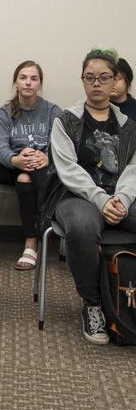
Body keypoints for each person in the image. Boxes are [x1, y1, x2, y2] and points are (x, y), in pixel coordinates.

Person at [42, 48, 136, 344]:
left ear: (114, 81)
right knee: (82, 226)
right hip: (75, 197)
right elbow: (67, 170)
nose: (97, 83)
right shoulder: (66, 120)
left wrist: (121, 198)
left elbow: (133, 169)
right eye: (90, 77)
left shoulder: (130, 126)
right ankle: (93, 304)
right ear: (82, 81)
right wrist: (101, 200)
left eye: (104, 77)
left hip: (119, 196)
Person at [0, 61, 61, 270]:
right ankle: (52, 219)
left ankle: (31, 244)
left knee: (25, 178)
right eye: (23, 78)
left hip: (41, 165)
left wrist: (47, 157)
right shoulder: (3, 113)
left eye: (33, 78)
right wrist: (17, 159)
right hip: (8, 167)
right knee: (24, 172)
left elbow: (61, 145)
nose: (28, 83)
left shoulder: (52, 111)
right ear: (16, 82)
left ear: (40, 84)